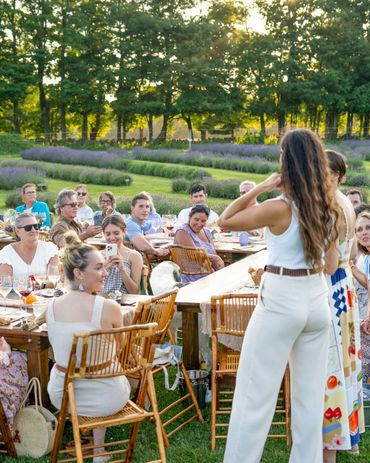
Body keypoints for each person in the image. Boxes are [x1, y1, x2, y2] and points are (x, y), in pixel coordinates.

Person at [218, 128, 340, 463]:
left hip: (282, 300)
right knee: (309, 398)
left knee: (254, 394)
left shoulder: (279, 207)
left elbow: (225, 220)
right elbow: (331, 266)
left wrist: (260, 187)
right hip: (316, 300)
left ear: (287, 161)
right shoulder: (329, 208)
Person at [47, 232, 131, 463]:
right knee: (107, 368)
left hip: (62, 394)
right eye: (99, 268)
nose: (105, 273)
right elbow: (120, 348)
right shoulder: (109, 306)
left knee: (90, 369)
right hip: (107, 396)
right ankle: (98, 449)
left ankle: (94, 446)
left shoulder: (51, 305)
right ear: (78, 273)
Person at [322, 150, 364, 462]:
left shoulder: (332, 206)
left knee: (333, 364)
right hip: (346, 285)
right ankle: (349, 437)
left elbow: (330, 262)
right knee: (347, 363)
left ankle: (329, 444)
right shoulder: (347, 203)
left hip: (333, 286)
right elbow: (349, 256)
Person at [174, 205, 224, 282]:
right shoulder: (182, 231)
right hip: (192, 279)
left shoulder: (206, 232)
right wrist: (216, 258)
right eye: (196, 219)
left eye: (203, 221)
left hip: (209, 275)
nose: (199, 223)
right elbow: (194, 255)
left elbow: (214, 253)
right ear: (190, 217)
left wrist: (221, 275)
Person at [0, 212, 59, 278]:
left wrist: (38, 284)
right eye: (28, 228)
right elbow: (6, 283)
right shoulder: (7, 252)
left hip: (44, 288)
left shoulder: (50, 249)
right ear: (17, 231)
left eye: (36, 226)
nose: (33, 230)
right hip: (18, 289)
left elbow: (54, 279)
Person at [352, 212, 370, 397]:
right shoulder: (366, 257)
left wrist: (367, 317)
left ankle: (365, 390)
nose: (364, 233)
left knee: (359, 332)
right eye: (359, 229)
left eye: (368, 227)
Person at [102, 215, 142, 295]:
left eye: (116, 233)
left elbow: (135, 292)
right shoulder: (98, 255)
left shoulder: (134, 256)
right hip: (102, 300)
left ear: (124, 232)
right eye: (108, 234)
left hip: (124, 302)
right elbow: (90, 289)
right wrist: (103, 269)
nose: (112, 237)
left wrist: (122, 269)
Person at [125, 193, 169, 258]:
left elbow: (148, 226)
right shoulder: (131, 224)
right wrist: (157, 252)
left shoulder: (139, 223)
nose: (145, 210)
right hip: (133, 265)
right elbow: (142, 246)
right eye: (141, 206)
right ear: (132, 208)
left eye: (147, 207)